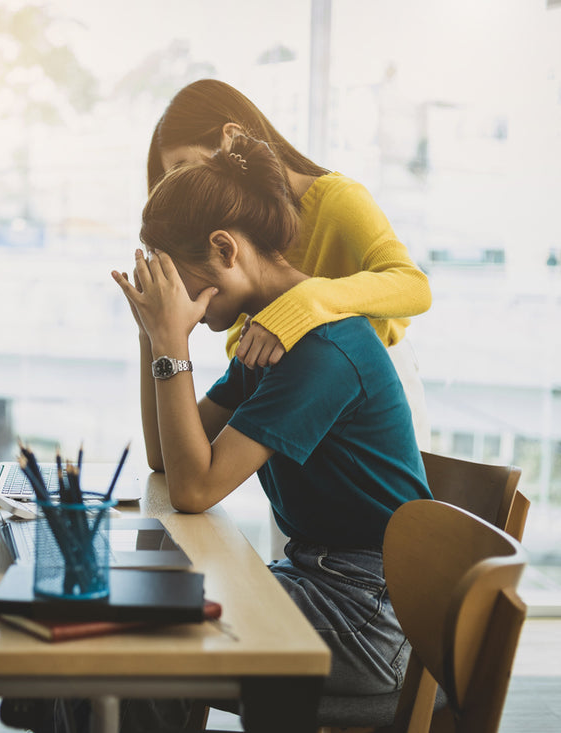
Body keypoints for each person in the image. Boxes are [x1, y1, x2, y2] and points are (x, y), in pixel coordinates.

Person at [107, 133, 433, 731]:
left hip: (371, 618)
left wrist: (171, 343)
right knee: (125, 615)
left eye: (180, 283)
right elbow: (166, 456)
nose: (185, 304)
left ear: (225, 248)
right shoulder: (268, 333)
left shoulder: (319, 350)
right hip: (323, 581)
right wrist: (153, 334)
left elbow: (195, 488)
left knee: (140, 642)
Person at [148, 79, 432, 449]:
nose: (184, 188)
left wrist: (303, 302)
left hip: (369, 401)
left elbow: (414, 286)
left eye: (184, 168)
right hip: (293, 390)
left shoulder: (337, 199)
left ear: (231, 138)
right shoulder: (238, 241)